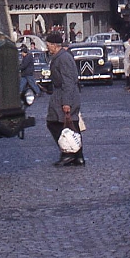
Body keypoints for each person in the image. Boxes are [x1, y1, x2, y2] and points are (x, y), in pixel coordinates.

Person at [45, 31, 84, 167]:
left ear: (55, 45)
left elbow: (68, 81)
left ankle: (68, 154)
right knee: (71, 124)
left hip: (65, 95)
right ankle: (78, 156)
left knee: (55, 123)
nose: (47, 47)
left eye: (48, 45)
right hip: (61, 93)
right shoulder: (60, 57)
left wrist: (66, 102)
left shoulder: (63, 58)